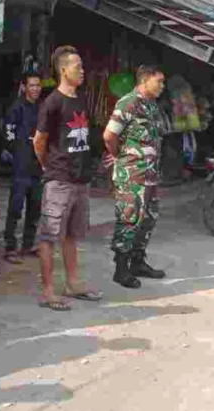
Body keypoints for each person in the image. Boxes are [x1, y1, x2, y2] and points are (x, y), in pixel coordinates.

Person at [33, 46, 103, 312]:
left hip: (80, 179)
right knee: (50, 235)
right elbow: (39, 141)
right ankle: (48, 291)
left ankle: (73, 284)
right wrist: (49, 167)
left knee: (73, 234)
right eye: (78, 67)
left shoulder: (82, 98)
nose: (82, 71)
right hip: (59, 178)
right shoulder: (52, 103)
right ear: (64, 70)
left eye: (82, 66)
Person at [103, 64, 168, 289]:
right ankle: (121, 270)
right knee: (129, 219)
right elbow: (109, 135)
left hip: (150, 175)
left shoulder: (151, 105)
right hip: (132, 175)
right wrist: (120, 156)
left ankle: (137, 262)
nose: (162, 86)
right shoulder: (128, 103)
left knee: (148, 219)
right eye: (159, 81)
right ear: (145, 80)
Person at [1, 73, 43, 264]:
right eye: (31, 85)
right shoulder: (16, 108)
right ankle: (10, 247)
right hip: (21, 165)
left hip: (38, 165)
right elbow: (8, 134)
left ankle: (28, 244)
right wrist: (20, 149)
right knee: (16, 207)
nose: (35, 89)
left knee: (35, 207)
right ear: (24, 87)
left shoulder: (41, 108)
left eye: (38, 85)